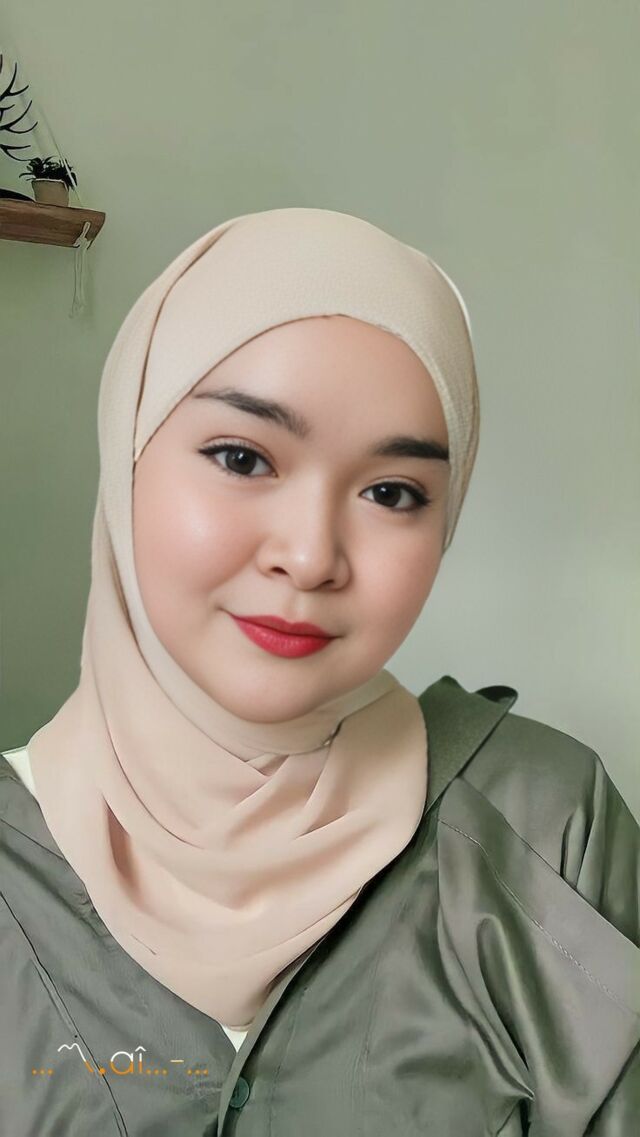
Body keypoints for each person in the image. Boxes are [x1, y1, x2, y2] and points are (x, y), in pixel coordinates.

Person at [1, 206, 638, 1136]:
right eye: (241, 457)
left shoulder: (547, 828)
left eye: (392, 492)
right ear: (127, 453)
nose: (309, 557)